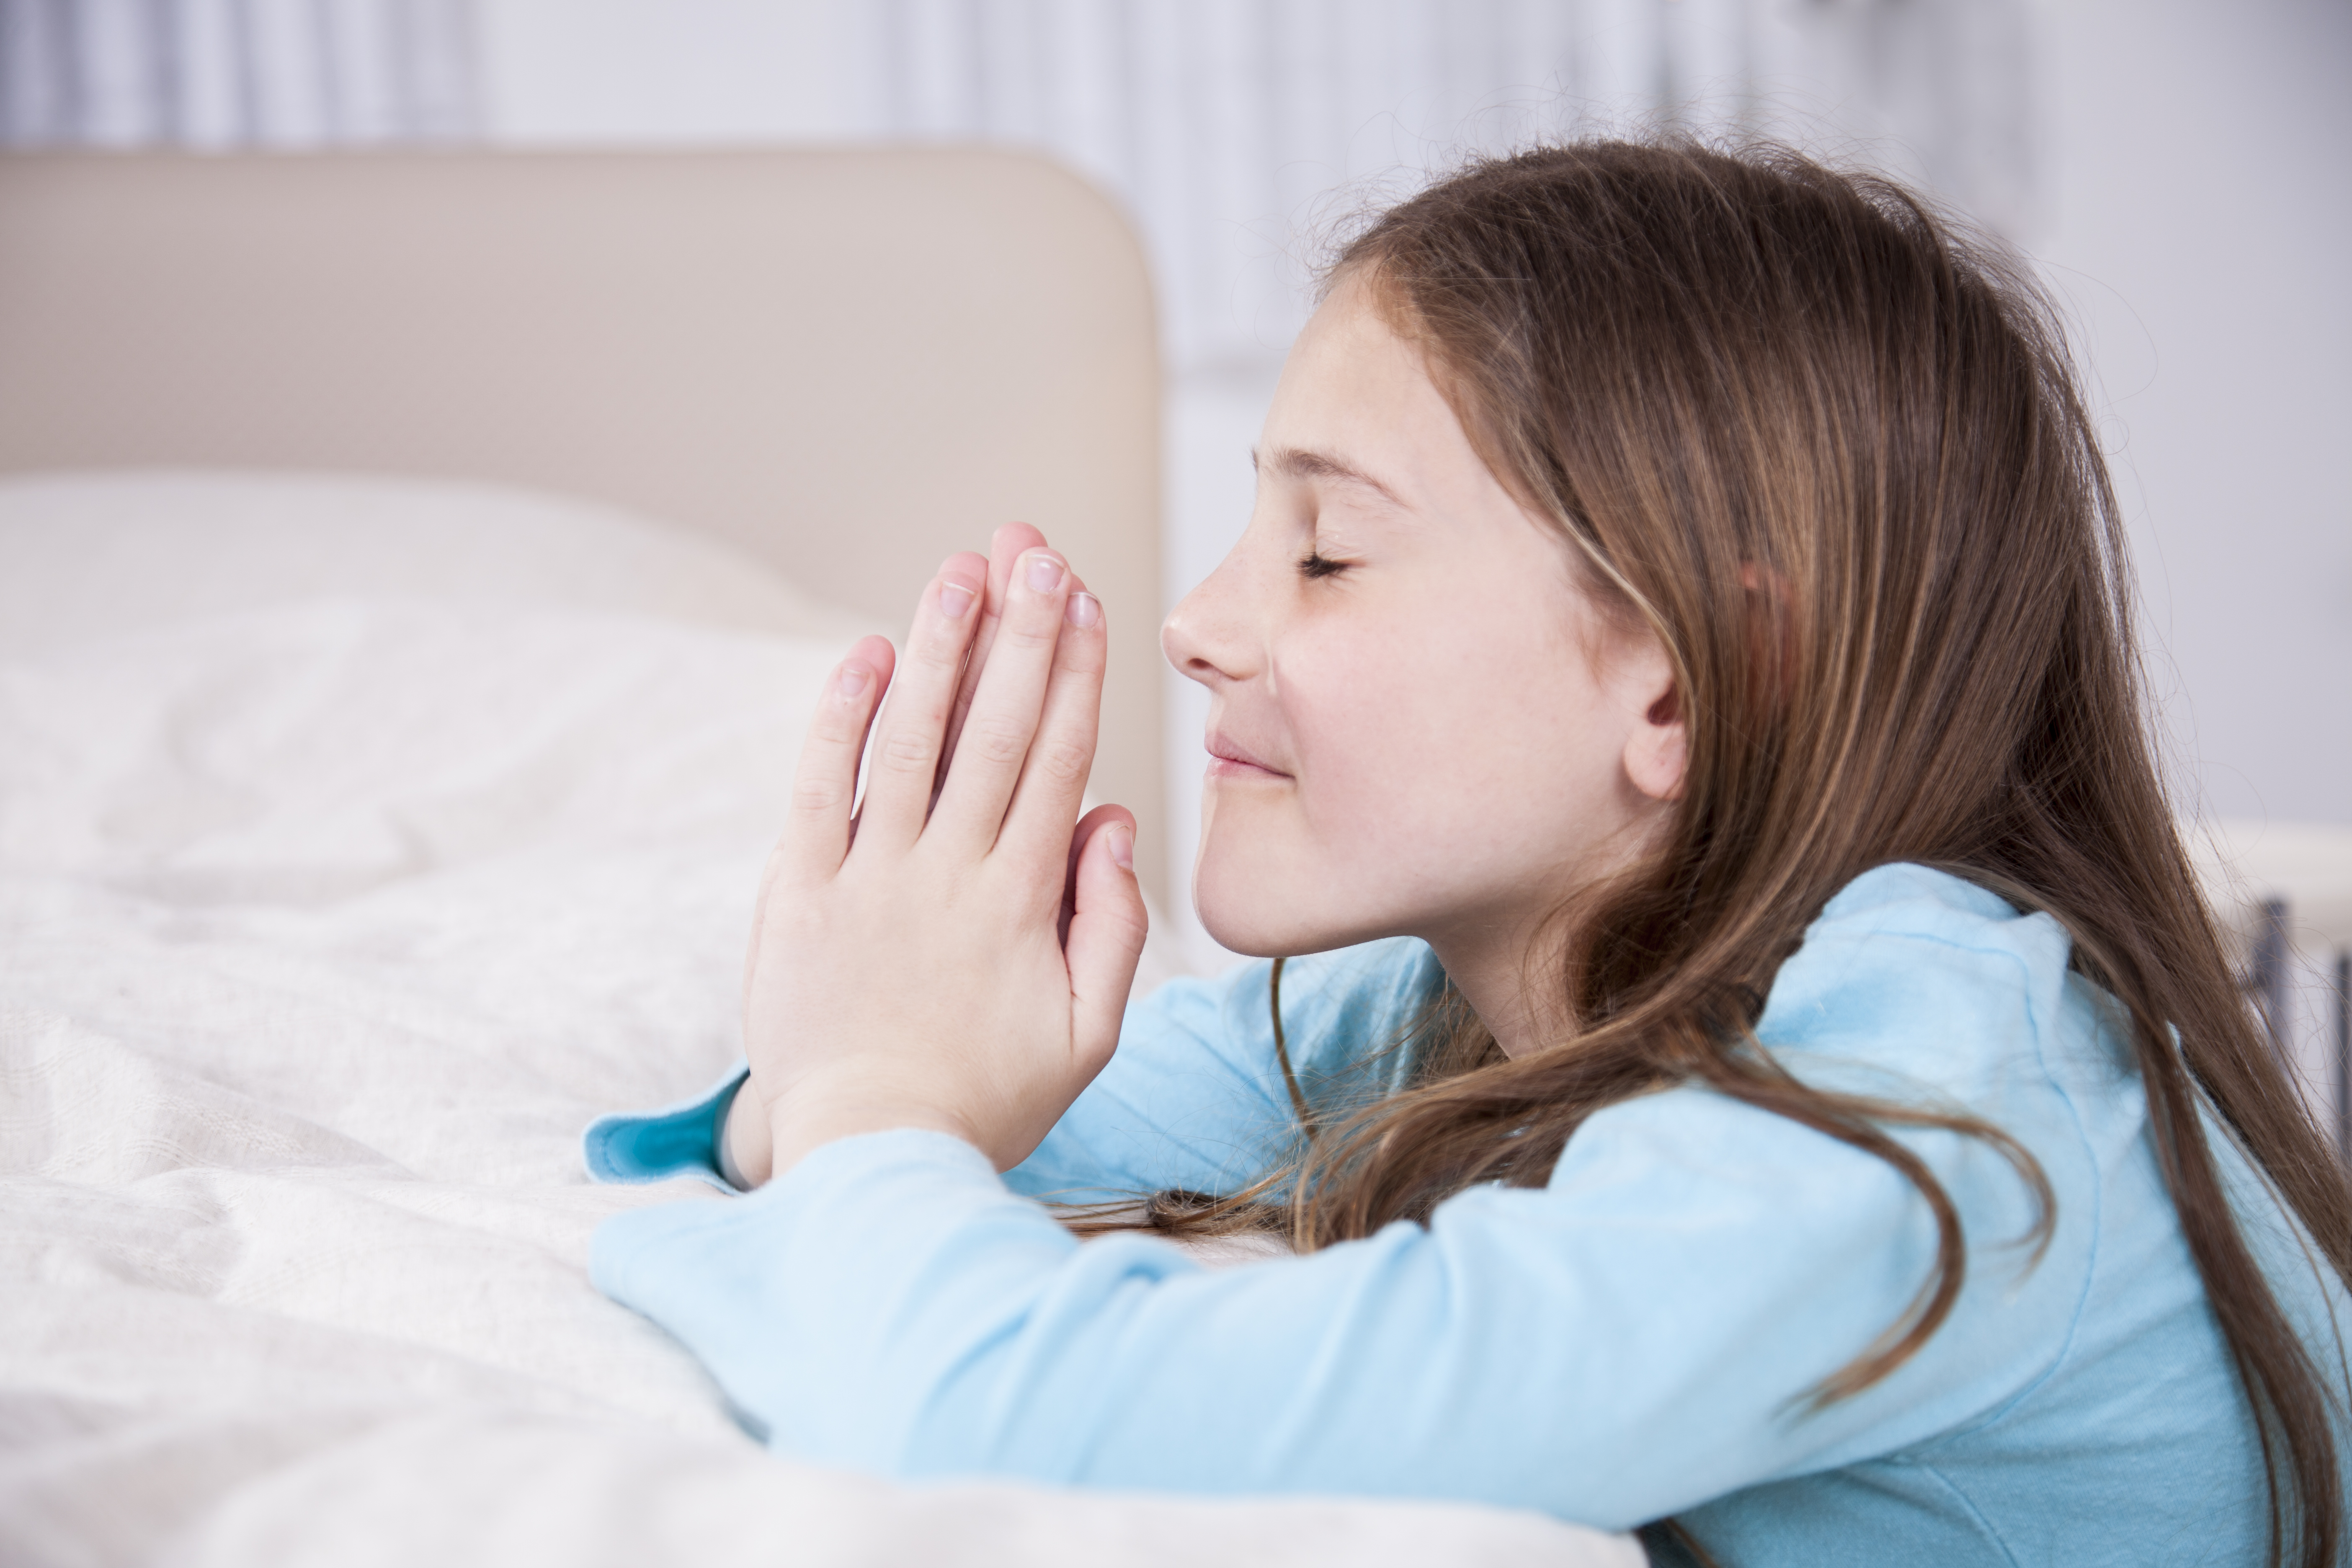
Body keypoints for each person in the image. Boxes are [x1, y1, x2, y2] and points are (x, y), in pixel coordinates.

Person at [583, 141, 2352, 1567]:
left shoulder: (1925, 1124)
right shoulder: (1463, 1001)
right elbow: (860, 1126)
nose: (1197, 622)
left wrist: (867, 1116)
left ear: (1678, 681)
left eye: (1327, 552)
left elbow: (985, 1402)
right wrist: (857, 1080)